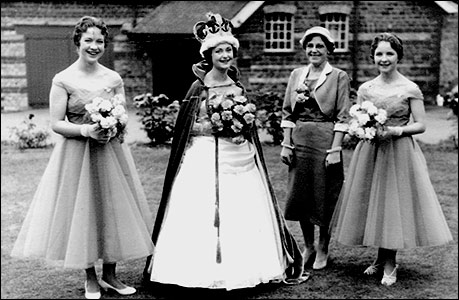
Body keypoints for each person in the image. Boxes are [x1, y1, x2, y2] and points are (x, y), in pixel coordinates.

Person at [142, 12, 305, 290]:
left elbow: (246, 123)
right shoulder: (198, 87)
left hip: (238, 154)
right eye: (220, 50)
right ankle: (199, 270)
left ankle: (245, 267)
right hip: (204, 154)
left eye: (229, 49)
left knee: (242, 209)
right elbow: (188, 126)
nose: (225, 54)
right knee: (201, 211)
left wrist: (238, 127)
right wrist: (214, 127)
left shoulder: (237, 86)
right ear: (209, 54)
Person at [10, 16, 155, 299]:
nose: (94, 46)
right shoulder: (63, 79)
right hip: (78, 153)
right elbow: (56, 123)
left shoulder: (113, 78)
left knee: (112, 209)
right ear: (78, 42)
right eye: (88, 40)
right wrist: (86, 129)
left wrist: (115, 125)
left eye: (99, 41)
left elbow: (122, 114)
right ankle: (90, 276)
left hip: (110, 152)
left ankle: (111, 275)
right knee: (84, 211)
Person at [330, 32, 453, 286]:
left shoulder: (410, 88)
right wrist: (361, 128)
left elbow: (421, 125)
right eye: (379, 54)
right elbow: (358, 116)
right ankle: (378, 258)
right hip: (371, 151)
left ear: (398, 56)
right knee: (374, 203)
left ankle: (389, 262)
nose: (383, 59)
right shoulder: (366, 88)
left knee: (392, 204)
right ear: (373, 57)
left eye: (389, 54)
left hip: (398, 151)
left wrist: (397, 130)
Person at [279, 26, 351, 270]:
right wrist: (287, 144)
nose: (314, 50)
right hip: (300, 140)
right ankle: (308, 245)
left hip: (325, 140)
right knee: (301, 195)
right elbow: (287, 113)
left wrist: (335, 150)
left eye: (320, 46)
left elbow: (343, 116)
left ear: (329, 49)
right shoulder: (296, 74)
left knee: (324, 195)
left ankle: (323, 247)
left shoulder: (339, 76)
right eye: (310, 46)